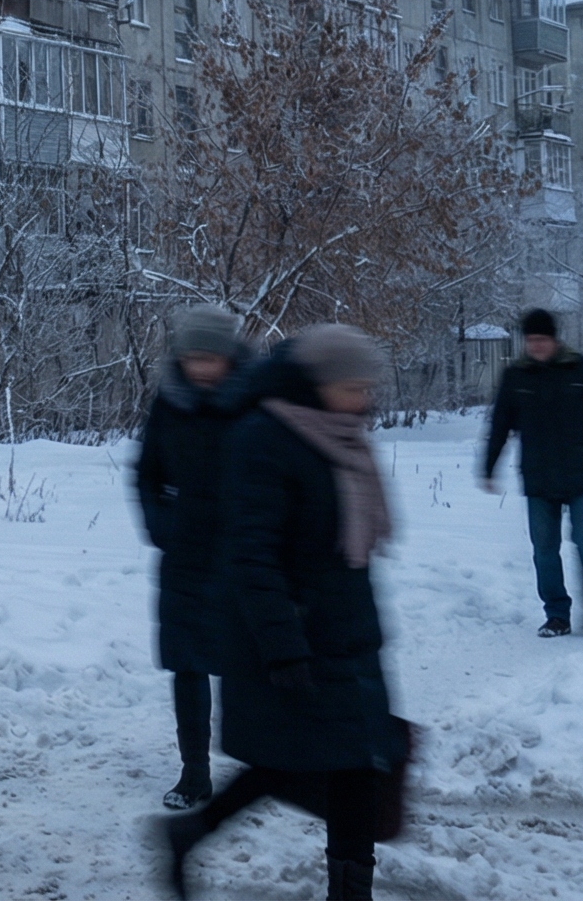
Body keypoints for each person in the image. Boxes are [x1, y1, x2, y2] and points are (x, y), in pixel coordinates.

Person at [160, 323, 406, 901]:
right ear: (317, 383)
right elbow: (250, 556)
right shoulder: (264, 438)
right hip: (290, 634)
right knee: (296, 763)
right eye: (354, 386)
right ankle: (192, 831)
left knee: (355, 766)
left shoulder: (339, 435)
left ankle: (347, 890)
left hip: (344, 632)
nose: (364, 399)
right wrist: (283, 643)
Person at [133, 305, 246, 811]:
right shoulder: (170, 401)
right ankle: (194, 773)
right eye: (192, 358)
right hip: (183, 557)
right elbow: (146, 473)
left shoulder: (254, 401)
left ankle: (258, 764)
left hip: (241, 557)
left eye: (211, 358)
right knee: (188, 666)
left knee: (246, 665)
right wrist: (163, 528)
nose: (201, 368)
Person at [482, 308, 583, 636]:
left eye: (542, 339)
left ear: (554, 339)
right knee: (544, 550)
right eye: (530, 340)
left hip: (581, 474)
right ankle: (557, 615)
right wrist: (489, 466)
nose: (536, 346)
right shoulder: (515, 376)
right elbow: (500, 424)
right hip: (538, 477)